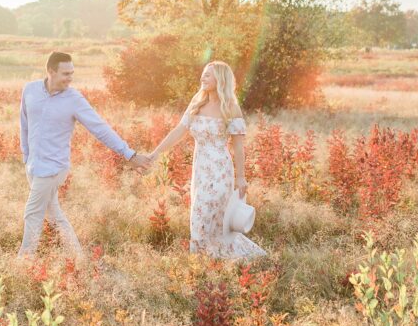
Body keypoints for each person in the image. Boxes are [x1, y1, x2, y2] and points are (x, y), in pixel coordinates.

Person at [18, 51, 151, 257]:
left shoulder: (74, 99)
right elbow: (24, 125)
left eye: (72, 73)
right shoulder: (30, 90)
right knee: (54, 215)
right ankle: (79, 260)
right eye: (65, 74)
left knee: (32, 213)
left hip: (53, 168)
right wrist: (26, 157)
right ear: (50, 71)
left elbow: (100, 128)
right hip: (33, 166)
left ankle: (24, 262)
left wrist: (129, 154)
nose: (70, 79)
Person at [144, 60, 267, 259]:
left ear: (220, 79)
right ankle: (209, 261)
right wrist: (155, 153)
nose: (203, 78)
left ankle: (203, 260)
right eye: (203, 73)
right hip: (200, 169)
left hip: (220, 170)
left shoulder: (231, 108)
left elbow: (238, 148)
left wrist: (241, 178)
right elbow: (179, 131)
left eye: (208, 75)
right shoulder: (197, 104)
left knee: (205, 215)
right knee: (204, 215)